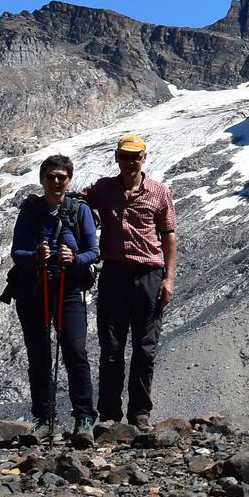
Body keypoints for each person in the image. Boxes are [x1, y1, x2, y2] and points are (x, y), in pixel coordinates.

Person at [80, 133, 178, 430]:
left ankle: (139, 413)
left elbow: (169, 237)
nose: (130, 161)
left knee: (145, 348)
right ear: (117, 158)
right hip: (115, 274)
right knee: (111, 349)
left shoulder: (160, 192)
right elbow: (78, 202)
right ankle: (109, 414)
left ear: (144, 158)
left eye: (135, 156)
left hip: (150, 276)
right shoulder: (102, 189)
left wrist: (169, 279)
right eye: (125, 156)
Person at [8, 153, 100, 442]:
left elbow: (93, 252)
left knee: (75, 351)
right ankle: (43, 418)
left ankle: (84, 418)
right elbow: (17, 252)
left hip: (68, 289)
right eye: (51, 176)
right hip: (33, 289)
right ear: (42, 179)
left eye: (62, 177)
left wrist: (73, 259)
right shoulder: (30, 210)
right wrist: (35, 256)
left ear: (69, 180)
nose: (56, 181)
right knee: (39, 355)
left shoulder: (79, 210)